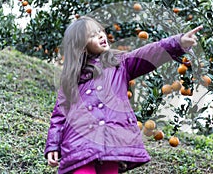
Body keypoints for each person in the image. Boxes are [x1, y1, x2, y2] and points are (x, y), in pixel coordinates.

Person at [44, 16, 202, 174]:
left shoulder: (120, 63)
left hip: (112, 141)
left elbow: (148, 54)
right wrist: (53, 145)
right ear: (82, 46)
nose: (100, 35)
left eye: (100, 31)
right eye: (92, 35)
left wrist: (177, 43)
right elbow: (60, 113)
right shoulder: (72, 78)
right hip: (78, 143)